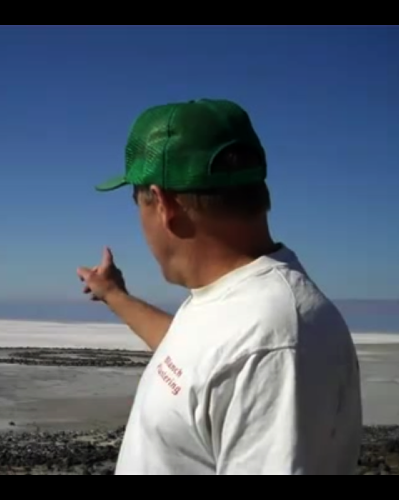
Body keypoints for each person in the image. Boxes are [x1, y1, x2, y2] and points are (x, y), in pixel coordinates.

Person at [76, 98, 363, 475]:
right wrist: (114, 295)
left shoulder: (273, 345)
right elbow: (196, 356)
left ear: (163, 205)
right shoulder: (236, 304)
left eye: (136, 201)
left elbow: (231, 359)